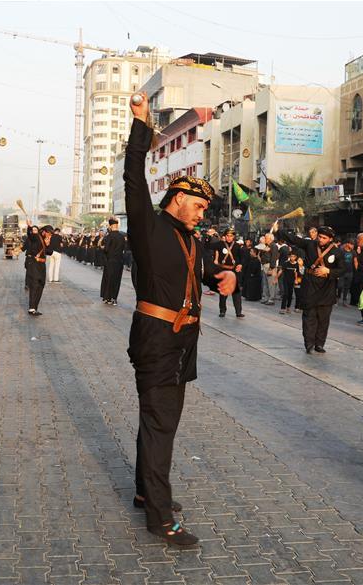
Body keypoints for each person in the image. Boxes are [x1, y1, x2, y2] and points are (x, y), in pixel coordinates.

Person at [125, 92, 236, 545]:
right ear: (175, 198)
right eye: (198, 203)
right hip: (157, 339)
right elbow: (134, 179)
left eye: (206, 207)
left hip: (183, 343)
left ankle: (142, 492)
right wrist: (140, 126)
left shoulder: (191, 240)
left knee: (157, 421)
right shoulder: (150, 229)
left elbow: (201, 274)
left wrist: (221, 278)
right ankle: (159, 516)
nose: (202, 210)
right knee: (160, 424)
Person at [274, 224, 343, 352]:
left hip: (327, 289)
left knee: (323, 319)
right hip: (310, 286)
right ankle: (309, 343)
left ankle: (319, 344)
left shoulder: (337, 251)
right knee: (309, 317)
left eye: (324, 238)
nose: (320, 239)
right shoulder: (310, 245)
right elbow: (294, 239)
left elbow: (342, 270)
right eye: (320, 237)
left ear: (330, 239)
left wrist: (328, 271)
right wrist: (278, 231)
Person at [213, 228, 245, 318]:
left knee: (236, 293)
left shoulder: (238, 246)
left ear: (233, 237)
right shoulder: (220, 245)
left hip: (235, 271)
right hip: (224, 271)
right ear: (225, 236)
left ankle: (238, 312)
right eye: (227, 236)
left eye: (231, 236)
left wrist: (240, 265)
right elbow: (215, 256)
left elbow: (242, 258)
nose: (229, 238)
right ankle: (222, 310)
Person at [24, 222, 52, 315]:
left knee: (41, 285)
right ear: (44, 232)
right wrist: (29, 226)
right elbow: (30, 235)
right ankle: (31, 308)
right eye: (49, 233)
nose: (49, 235)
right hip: (34, 265)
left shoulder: (45, 241)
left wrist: (47, 245)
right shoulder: (36, 237)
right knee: (34, 285)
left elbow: (50, 252)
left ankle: (35, 307)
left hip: (42, 266)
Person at [101, 217, 126, 305]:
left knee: (109, 279)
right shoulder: (122, 237)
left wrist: (103, 248)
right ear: (117, 225)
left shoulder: (109, 236)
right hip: (119, 261)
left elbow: (106, 249)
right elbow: (124, 248)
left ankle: (107, 298)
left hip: (110, 261)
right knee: (117, 280)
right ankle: (114, 298)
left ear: (111, 226)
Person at [279, 248, 301, 314]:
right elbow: (281, 271)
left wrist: (296, 280)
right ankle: (282, 308)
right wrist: (275, 278)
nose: (292, 258)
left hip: (292, 281)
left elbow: (296, 273)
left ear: (296, 257)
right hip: (285, 280)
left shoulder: (297, 265)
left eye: (294, 256)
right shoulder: (286, 263)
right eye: (291, 256)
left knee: (290, 295)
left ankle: (288, 307)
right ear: (289, 257)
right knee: (285, 294)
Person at [338, 241, 355, 307]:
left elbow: (355, 261)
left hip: (350, 272)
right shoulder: (341, 251)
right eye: (351, 244)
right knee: (340, 286)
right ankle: (338, 298)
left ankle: (344, 301)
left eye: (353, 245)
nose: (353, 246)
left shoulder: (353, 252)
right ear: (347, 244)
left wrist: (356, 270)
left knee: (347, 287)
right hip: (342, 272)